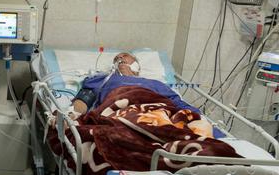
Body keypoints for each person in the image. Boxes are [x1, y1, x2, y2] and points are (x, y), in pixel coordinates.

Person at [70, 52, 213, 137]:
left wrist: (199, 118)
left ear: (137, 66)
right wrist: (74, 114)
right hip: (120, 110)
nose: (120, 58)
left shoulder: (156, 84)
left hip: (155, 111)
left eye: (125, 56)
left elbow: (177, 103)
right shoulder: (102, 80)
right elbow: (84, 99)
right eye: (117, 57)